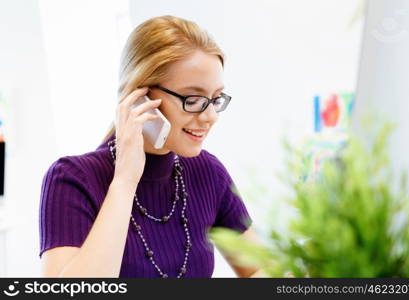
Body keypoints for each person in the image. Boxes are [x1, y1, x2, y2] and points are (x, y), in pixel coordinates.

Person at [39, 15, 262, 278]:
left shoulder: (208, 172)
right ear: (140, 96)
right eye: (193, 99)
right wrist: (125, 180)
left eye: (215, 99)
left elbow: (261, 272)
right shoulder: (71, 179)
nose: (210, 116)